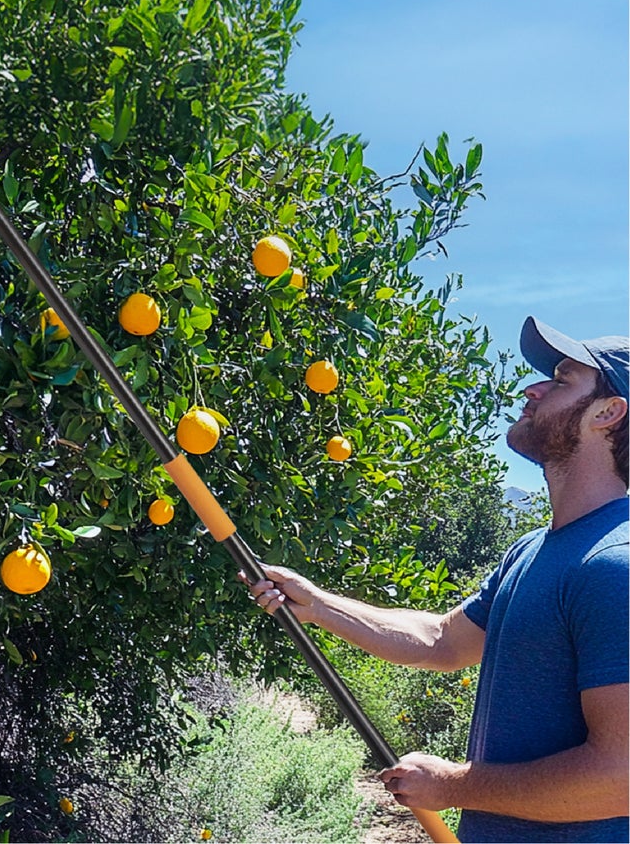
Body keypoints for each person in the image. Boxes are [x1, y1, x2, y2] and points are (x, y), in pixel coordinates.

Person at [244, 317, 627, 841]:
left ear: (608, 412)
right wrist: (318, 605)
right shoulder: (535, 551)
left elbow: (619, 778)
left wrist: (453, 786)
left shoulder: (614, 565)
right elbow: (442, 641)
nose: (531, 389)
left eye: (561, 380)